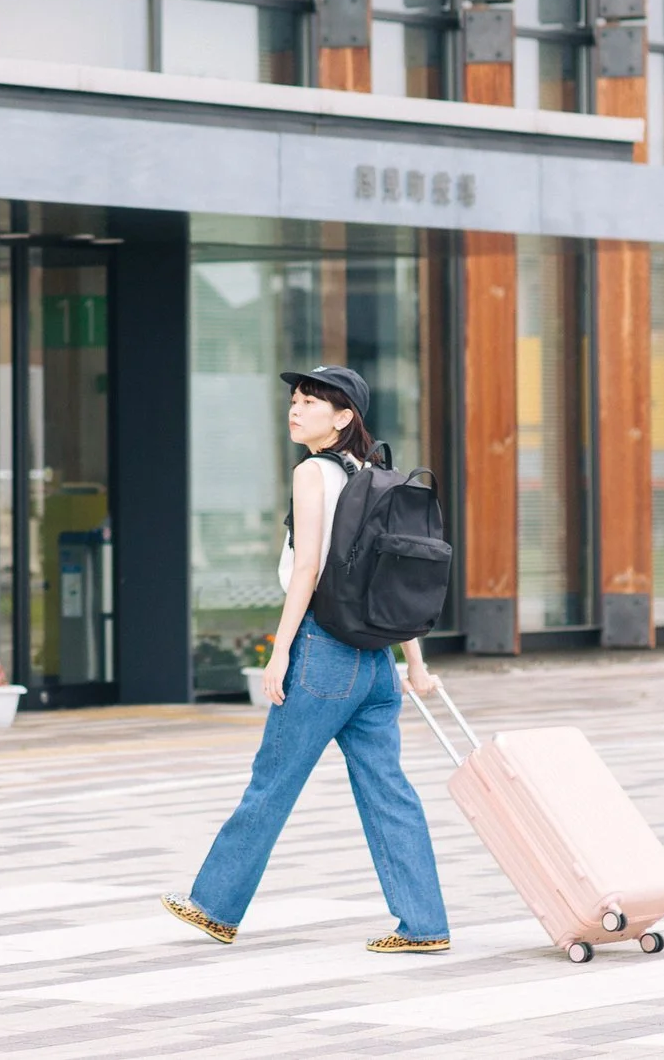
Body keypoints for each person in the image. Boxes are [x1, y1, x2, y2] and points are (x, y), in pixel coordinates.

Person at [162, 365, 451, 953]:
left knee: (272, 781)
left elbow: (309, 570)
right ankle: (424, 925)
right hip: (375, 665)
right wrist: (412, 664)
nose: (297, 410)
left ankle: (215, 906)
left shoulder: (312, 473)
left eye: (313, 403)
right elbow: (390, 585)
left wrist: (280, 651)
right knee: (388, 792)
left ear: (345, 418)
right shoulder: (378, 477)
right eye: (295, 400)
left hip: (324, 653)